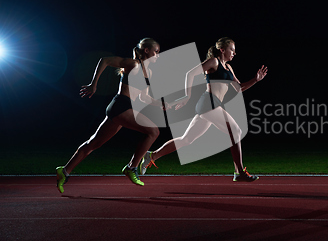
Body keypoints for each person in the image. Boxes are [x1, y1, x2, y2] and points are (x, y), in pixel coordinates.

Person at [139, 37, 268, 181]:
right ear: (222, 50)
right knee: (235, 131)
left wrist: (255, 80)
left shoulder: (229, 68)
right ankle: (239, 172)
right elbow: (190, 74)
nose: (234, 53)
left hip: (213, 105)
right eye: (232, 49)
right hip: (209, 103)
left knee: (186, 139)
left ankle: (152, 155)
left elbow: (239, 88)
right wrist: (187, 96)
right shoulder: (214, 62)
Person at [56, 38, 165, 193]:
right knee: (153, 131)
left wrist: (161, 104)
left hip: (124, 109)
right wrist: (94, 84)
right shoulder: (133, 64)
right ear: (146, 50)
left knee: (93, 144)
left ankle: (64, 171)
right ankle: (132, 167)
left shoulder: (149, 72)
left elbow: (143, 97)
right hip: (120, 106)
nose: (158, 55)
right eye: (156, 51)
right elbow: (105, 60)